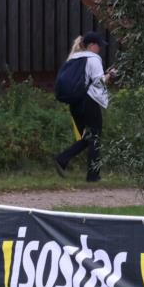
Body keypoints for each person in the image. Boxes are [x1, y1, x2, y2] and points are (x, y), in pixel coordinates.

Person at [54, 31, 116, 182]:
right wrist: (111, 75)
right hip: (90, 101)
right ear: (91, 45)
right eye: (98, 45)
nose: (100, 48)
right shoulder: (94, 59)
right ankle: (93, 176)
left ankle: (62, 159)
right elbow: (99, 81)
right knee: (94, 137)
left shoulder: (73, 59)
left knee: (87, 137)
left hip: (76, 103)